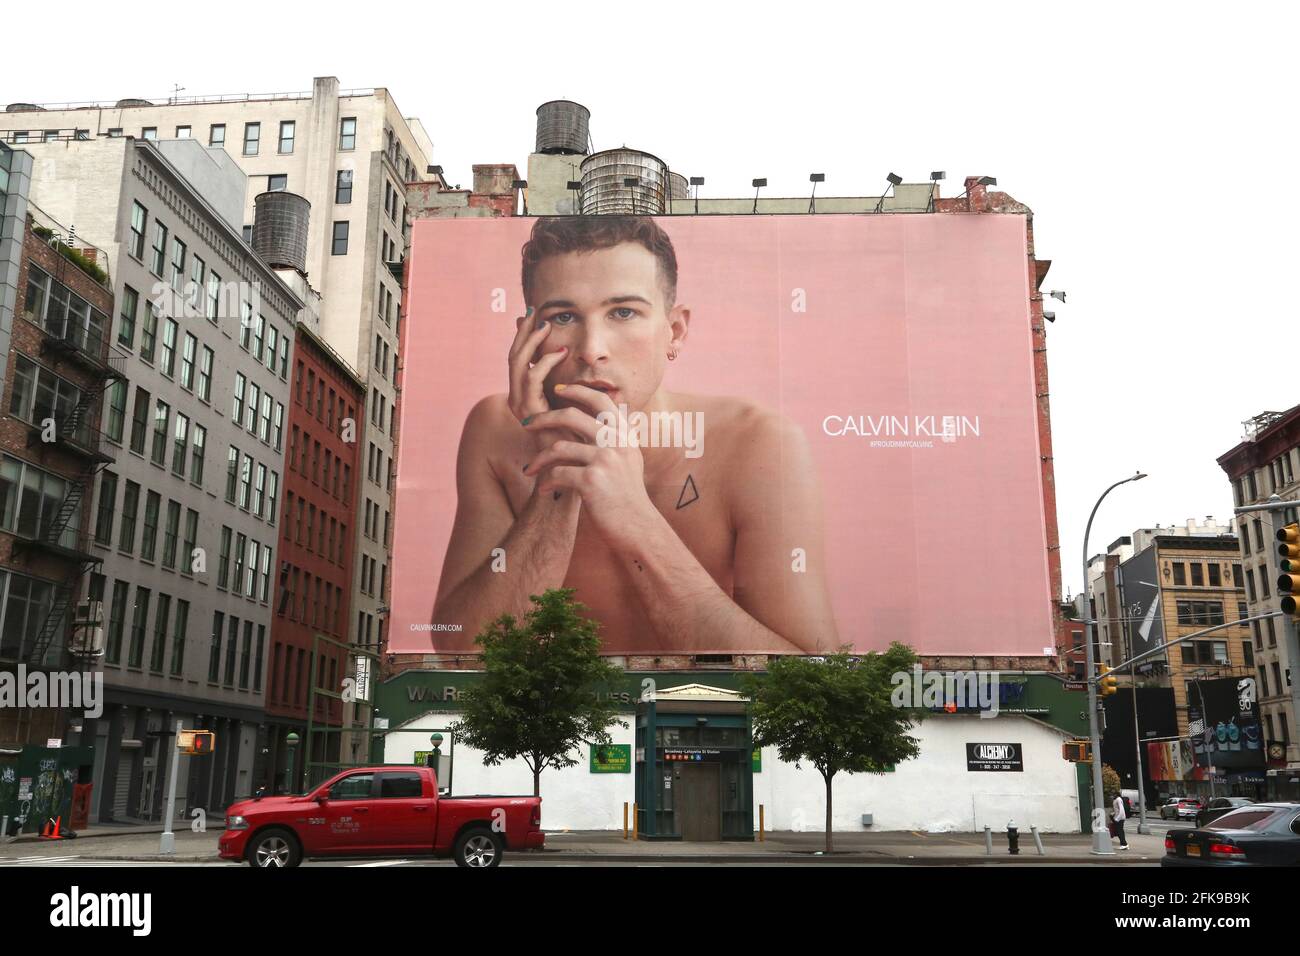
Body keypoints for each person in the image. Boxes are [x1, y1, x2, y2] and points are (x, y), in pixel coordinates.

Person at [430, 216, 838, 655]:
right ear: (527, 338)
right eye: (563, 317)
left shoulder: (759, 443)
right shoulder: (496, 428)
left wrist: (634, 516)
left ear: (675, 331)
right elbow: (464, 655)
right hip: (548, 721)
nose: (592, 349)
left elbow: (812, 680)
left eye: (623, 312)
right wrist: (559, 478)